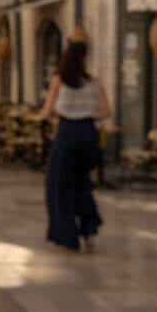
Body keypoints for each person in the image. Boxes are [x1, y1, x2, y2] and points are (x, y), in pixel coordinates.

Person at [42, 39, 112, 252]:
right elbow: (106, 112)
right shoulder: (94, 82)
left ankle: (66, 236)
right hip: (88, 135)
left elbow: (46, 112)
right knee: (82, 183)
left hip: (67, 134)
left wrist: (58, 116)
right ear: (83, 59)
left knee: (59, 186)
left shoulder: (59, 81)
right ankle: (90, 227)